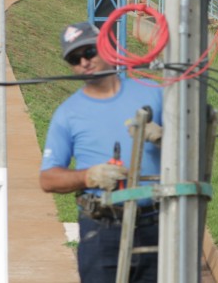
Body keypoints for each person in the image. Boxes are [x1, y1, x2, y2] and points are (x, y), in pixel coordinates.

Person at [39, 21, 163, 283]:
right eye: (75, 58)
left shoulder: (153, 94)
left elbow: (192, 148)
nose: (84, 62)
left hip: (156, 224)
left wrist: (165, 138)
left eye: (89, 52)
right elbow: (48, 178)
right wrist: (89, 177)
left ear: (106, 48)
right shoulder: (67, 114)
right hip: (101, 228)